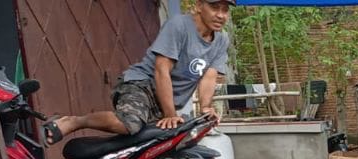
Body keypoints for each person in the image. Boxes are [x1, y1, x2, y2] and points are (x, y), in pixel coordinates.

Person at [42, 0, 231, 143]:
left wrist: (206, 106)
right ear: (199, 6)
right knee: (129, 124)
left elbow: (209, 76)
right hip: (142, 84)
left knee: (184, 148)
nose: (221, 15)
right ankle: (75, 121)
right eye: (215, 8)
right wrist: (170, 114)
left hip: (167, 100)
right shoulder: (179, 26)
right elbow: (161, 71)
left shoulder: (221, 40)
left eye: (225, 10)